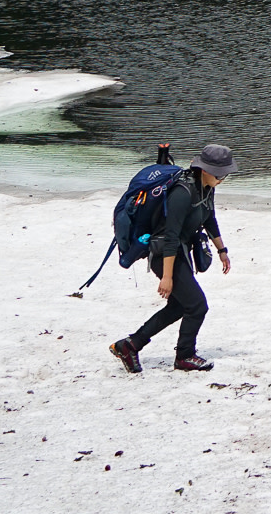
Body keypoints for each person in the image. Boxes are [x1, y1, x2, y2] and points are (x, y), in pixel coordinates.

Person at [109, 142, 237, 374]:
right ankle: (185, 356)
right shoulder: (182, 192)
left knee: (180, 305)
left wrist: (222, 250)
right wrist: (166, 277)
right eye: (219, 175)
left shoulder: (206, 187)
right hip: (165, 253)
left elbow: (209, 218)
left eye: (225, 175)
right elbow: (170, 236)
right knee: (197, 306)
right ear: (205, 170)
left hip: (179, 251)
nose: (221, 179)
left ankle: (130, 345)